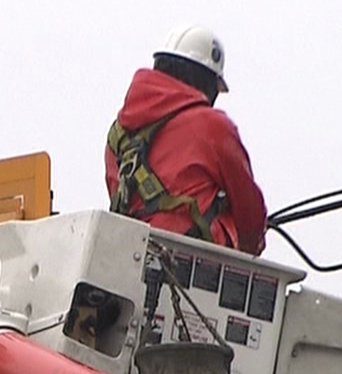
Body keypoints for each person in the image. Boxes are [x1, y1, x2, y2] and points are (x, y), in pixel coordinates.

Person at [104, 25, 268, 256]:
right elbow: (250, 216)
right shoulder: (214, 128)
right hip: (191, 269)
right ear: (207, 83)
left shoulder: (118, 134)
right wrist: (248, 243)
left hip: (127, 259)